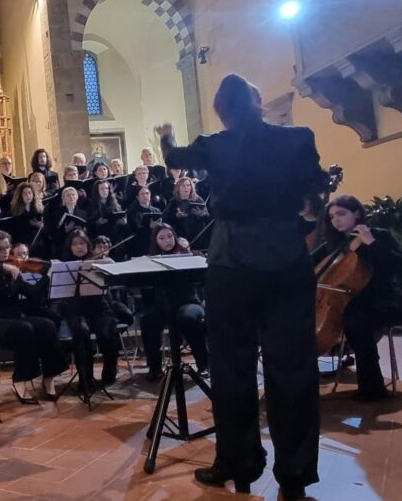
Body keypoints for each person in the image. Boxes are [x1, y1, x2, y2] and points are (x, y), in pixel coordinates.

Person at [158, 74, 328, 499]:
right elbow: (315, 191)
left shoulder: (214, 145)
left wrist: (165, 137)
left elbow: (175, 156)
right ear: (258, 102)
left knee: (232, 369)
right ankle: (295, 476)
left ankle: (238, 466)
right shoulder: (298, 138)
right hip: (287, 259)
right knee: (293, 369)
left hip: (231, 262)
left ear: (222, 110)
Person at [315, 195, 402, 401]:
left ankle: (373, 387)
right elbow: (306, 266)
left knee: (356, 319)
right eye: (332, 217)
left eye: (341, 213)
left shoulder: (379, 236)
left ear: (357, 213)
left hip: (386, 300)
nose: (336, 220)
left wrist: (371, 243)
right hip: (349, 302)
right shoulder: (334, 245)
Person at [0, 230, 67, 403]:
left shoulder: (14, 270)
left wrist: (48, 276)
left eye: (7, 247)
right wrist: (2, 267)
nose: (5, 251)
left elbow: (32, 293)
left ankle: (49, 378)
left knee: (47, 325)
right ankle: (20, 381)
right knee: (24, 329)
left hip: (15, 317)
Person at [55, 229, 131, 393]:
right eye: (75, 244)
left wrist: (105, 265)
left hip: (100, 307)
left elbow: (112, 273)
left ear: (88, 245)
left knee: (106, 333)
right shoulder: (64, 266)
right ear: (69, 247)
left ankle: (110, 371)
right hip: (76, 309)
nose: (79, 247)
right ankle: (85, 378)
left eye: (82, 243)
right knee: (81, 332)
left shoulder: (99, 261)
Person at [139, 223, 209, 381]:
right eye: (162, 238)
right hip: (163, 306)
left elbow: (202, 276)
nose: (167, 241)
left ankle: (204, 364)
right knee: (147, 320)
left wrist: (192, 256)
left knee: (188, 317)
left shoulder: (188, 254)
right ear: (156, 241)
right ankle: (155, 368)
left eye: (170, 236)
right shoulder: (151, 261)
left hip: (188, 303)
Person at [163, 177, 211, 248]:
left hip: (197, 236)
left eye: (188, 185)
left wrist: (202, 214)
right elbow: (165, 219)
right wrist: (176, 216)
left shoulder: (198, 200)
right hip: (179, 236)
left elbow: (208, 218)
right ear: (178, 188)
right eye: (183, 185)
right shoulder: (173, 202)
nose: (186, 188)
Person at [127, 187, 163, 257]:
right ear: (137, 197)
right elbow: (134, 230)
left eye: (147, 193)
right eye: (142, 194)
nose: (145, 196)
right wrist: (149, 227)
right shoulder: (132, 212)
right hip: (139, 245)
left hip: (154, 244)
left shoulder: (156, 210)